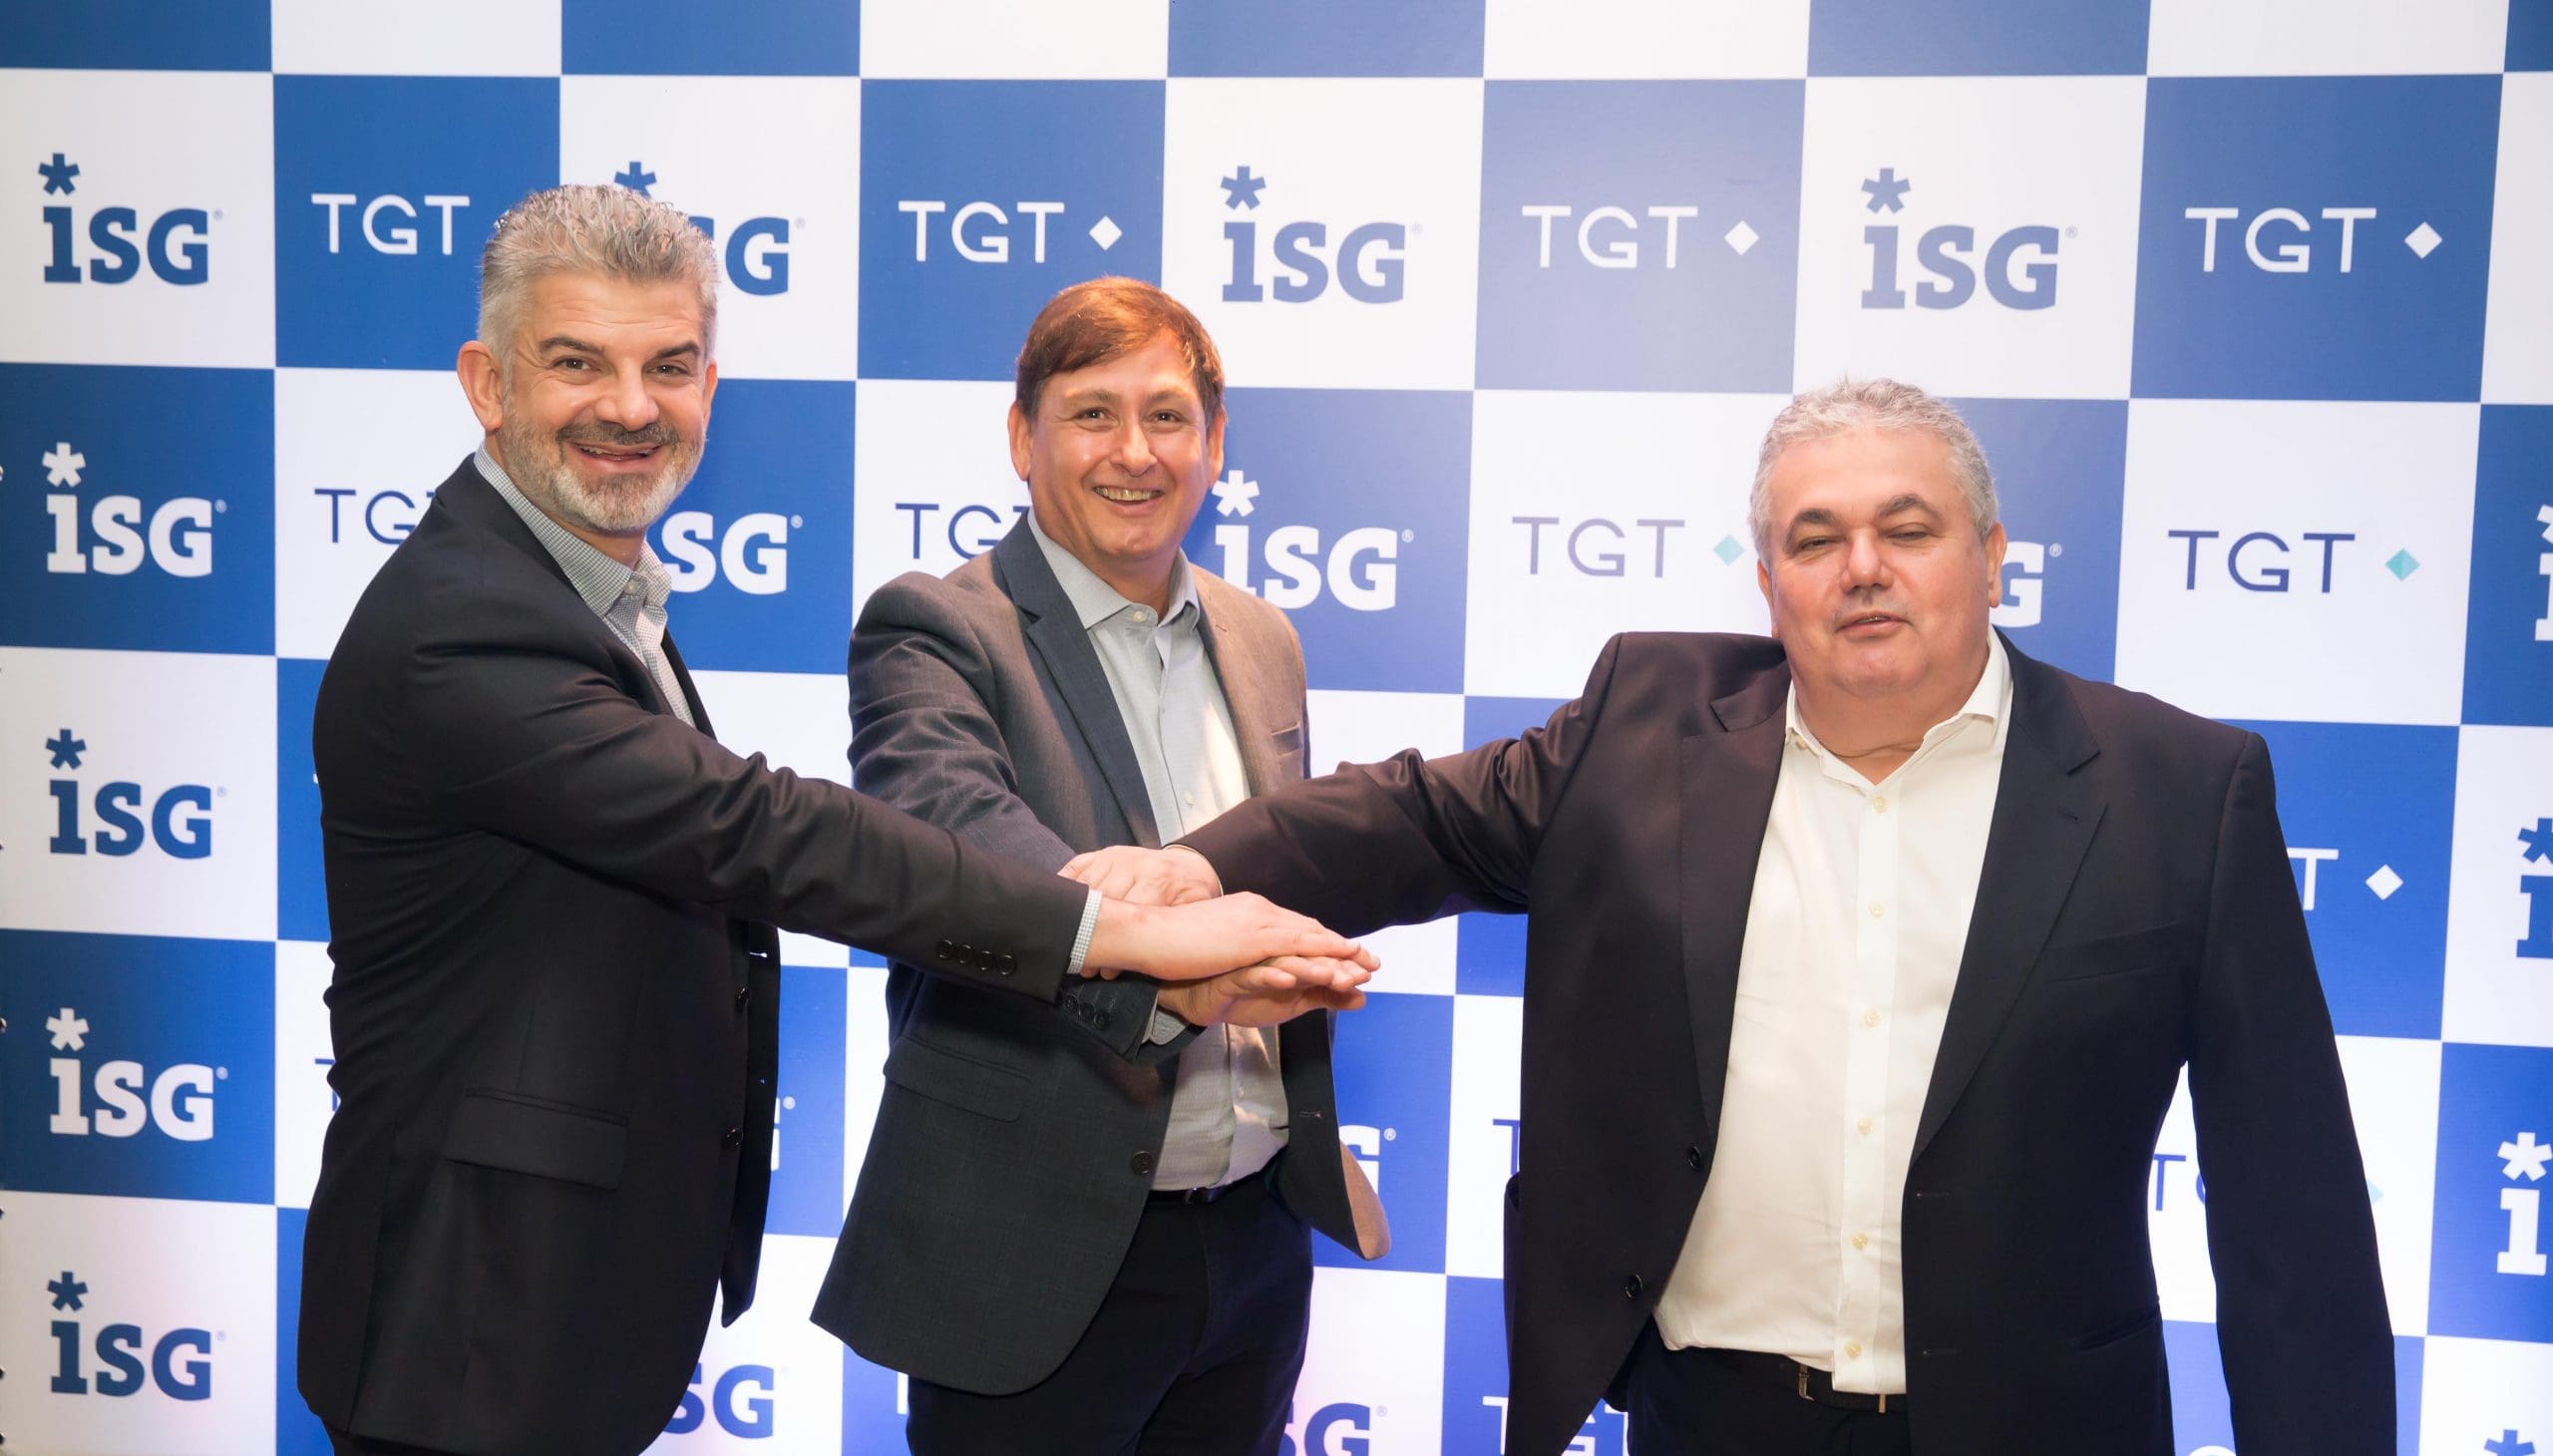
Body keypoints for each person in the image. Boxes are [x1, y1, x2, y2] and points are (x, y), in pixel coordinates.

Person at [1070, 378, 2392, 1456]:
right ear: (1768, 581)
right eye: (1815, 539)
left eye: (1908, 529)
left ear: (1993, 560)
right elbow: (1415, 817)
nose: (1861, 568)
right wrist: (1190, 872)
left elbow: (2291, 1209)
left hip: (2042, 1424)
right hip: (1716, 1417)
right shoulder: (1648, 726)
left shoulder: (2177, 788)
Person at [298, 188, 1372, 1456]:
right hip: (468, 1310)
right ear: (487, 384)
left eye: (670, 365)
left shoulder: (585, 592)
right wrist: (1127, 933)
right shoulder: (466, 621)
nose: (630, 406)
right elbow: (766, 831)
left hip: (554, 1295)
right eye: (576, 362)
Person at [812, 277, 1388, 1456]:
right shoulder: (934, 625)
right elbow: (961, 842)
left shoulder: (1263, 637)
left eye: (1168, 416)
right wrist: (1174, 955)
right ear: (1022, 438)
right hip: (1031, 1245)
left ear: (1214, 445)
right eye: (1092, 413)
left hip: (1254, 1233)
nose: (1135, 451)